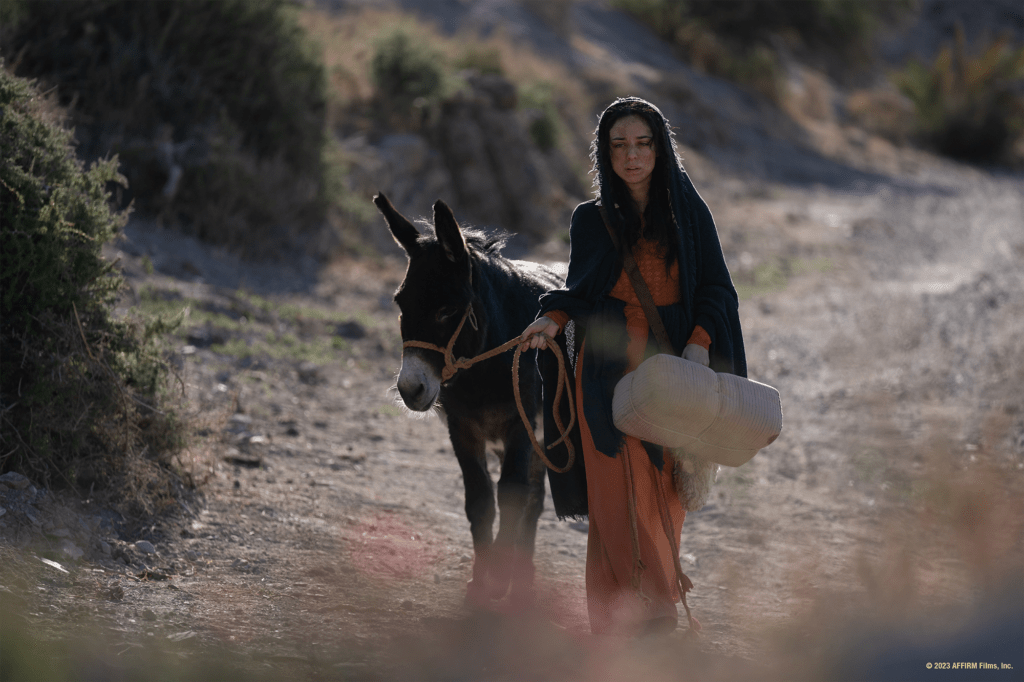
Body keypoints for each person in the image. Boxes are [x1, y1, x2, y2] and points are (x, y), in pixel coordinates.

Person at [520, 97, 746, 636]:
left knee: (663, 489)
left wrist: (698, 343)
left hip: (674, 369)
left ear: (660, 148)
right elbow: (580, 290)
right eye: (619, 145)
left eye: (642, 143)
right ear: (606, 153)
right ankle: (623, 617)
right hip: (604, 372)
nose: (632, 156)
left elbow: (717, 289)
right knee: (615, 496)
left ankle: (656, 601)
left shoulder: (690, 214)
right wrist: (550, 319)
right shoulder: (590, 220)